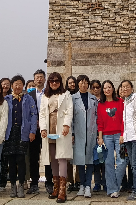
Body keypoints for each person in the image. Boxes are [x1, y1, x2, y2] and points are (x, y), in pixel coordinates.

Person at [40, 72, 74, 203]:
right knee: (53, 158)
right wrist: (43, 128)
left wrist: (66, 125)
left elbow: (69, 110)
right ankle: (56, 187)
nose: (54, 83)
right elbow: (42, 113)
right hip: (50, 128)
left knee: (62, 157)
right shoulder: (45, 95)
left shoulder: (66, 94)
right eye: (52, 81)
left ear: (60, 82)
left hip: (61, 128)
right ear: (49, 83)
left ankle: (62, 190)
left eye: (57, 81)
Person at [5, 74, 37, 198]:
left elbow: (33, 115)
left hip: (23, 131)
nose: (17, 86)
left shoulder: (28, 98)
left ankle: (21, 185)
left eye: (20, 84)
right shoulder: (7, 99)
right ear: (12, 86)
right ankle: (13, 185)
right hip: (10, 132)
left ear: (23, 85)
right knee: (11, 160)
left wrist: (32, 131)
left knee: (21, 160)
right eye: (15, 84)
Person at [118, 80, 136, 201]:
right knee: (133, 163)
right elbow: (126, 121)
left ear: (132, 88)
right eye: (123, 87)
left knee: (135, 165)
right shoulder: (125, 100)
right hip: (128, 136)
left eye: (127, 86)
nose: (125, 89)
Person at [96, 80, 124, 198]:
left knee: (122, 161)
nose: (107, 89)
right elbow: (100, 122)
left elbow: (123, 119)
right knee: (108, 162)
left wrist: (122, 134)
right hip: (106, 136)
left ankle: (115, 186)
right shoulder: (100, 104)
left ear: (113, 88)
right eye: (105, 88)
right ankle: (112, 189)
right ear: (103, 90)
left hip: (119, 135)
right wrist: (100, 137)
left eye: (109, 87)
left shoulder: (120, 102)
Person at [72, 75, 98, 198]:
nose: (84, 85)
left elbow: (97, 116)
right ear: (78, 84)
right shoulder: (73, 98)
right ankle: (82, 185)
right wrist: (72, 133)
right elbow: (71, 117)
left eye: (86, 83)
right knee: (80, 160)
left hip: (91, 132)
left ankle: (88, 186)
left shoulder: (93, 99)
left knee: (90, 160)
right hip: (78, 133)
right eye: (81, 82)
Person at [27, 69, 49, 195]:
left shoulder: (49, 93)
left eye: (41, 77)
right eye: (37, 77)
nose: (39, 79)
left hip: (47, 130)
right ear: (34, 80)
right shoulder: (29, 94)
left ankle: (49, 183)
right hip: (34, 130)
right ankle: (34, 183)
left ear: (44, 79)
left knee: (48, 156)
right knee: (33, 157)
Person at [89, 79, 105, 193]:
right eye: (93, 87)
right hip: (92, 132)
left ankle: (105, 182)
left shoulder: (104, 100)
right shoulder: (90, 100)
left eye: (97, 87)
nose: (95, 89)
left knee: (104, 160)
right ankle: (97, 183)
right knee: (95, 160)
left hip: (104, 132)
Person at [0, 77, 12, 189]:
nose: (5, 86)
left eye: (7, 84)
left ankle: (3, 181)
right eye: (3, 84)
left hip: (9, 131)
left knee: (5, 157)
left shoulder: (11, 98)